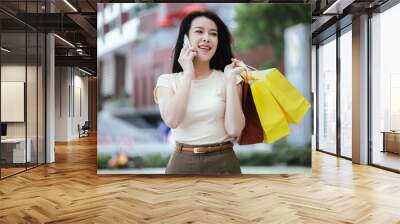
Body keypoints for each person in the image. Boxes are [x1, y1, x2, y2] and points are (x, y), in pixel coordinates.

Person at [153, 10, 246, 175]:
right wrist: (188, 73)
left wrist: (231, 82)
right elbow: (172, 120)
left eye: (213, 33)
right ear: (185, 39)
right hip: (182, 162)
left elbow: (234, 130)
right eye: (199, 31)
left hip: (224, 162)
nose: (206, 38)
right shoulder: (167, 81)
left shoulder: (228, 78)